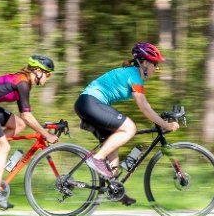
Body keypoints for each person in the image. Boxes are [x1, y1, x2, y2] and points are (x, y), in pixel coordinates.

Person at [75, 42, 178, 206]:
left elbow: (146, 107)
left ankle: (115, 189)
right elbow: (144, 107)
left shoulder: (132, 75)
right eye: (155, 64)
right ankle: (97, 159)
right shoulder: (134, 76)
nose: (156, 68)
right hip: (90, 102)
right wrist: (165, 125)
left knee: (114, 142)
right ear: (144, 62)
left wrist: (160, 120)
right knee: (130, 128)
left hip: (89, 103)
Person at [0, 55, 60, 209]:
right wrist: (46, 134)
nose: (48, 78)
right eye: (47, 74)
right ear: (37, 71)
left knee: (19, 125)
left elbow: (24, 119)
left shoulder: (23, 81)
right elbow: (27, 115)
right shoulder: (22, 82)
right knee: (4, 147)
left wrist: (43, 130)